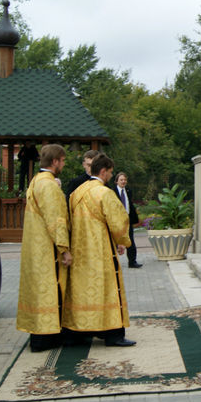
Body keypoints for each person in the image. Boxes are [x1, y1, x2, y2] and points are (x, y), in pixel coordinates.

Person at [62, 154, 135, 347]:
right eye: (110, 172)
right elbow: (119, 222)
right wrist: (123, 241)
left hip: (79, 251)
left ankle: (76, 333)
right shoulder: (104, 193)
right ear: (103, 171)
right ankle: (113, 335)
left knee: (81, 292)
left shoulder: (77, 192)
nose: (111, 176)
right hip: (101, 252)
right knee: (108, 291)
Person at [16, 144, 73, 352]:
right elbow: (55, 219)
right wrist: (64, 249)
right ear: (55, 161)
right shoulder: (48, 185)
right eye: (63, 160)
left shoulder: (35, 181)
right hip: (48, 248)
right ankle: (47, 337)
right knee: (52, 290)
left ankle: (39, 335)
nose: (64, 164)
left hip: (35, 245)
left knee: (40, 292)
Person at [113, 172, 142, 269]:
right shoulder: (112, 191)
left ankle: (132, 262)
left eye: (125, 180)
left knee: (130, 240)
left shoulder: (128, 191)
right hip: (117, 220)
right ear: (117, 181)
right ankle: (113, 263)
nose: (123, 181)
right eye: (121, 180)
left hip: (127, 219)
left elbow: (130, 203)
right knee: (115, 241)